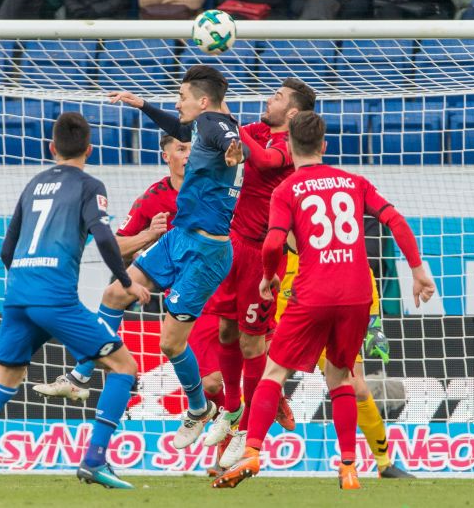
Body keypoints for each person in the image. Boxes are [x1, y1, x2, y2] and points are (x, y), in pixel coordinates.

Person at [213, 111, 435, 489]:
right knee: (344, 378)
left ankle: (252, 450)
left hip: (312, 291)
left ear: (290, 147)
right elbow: (395, 220)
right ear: (325, 146)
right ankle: (349, 465)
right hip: (357, 293)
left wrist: (267, 277)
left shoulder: (286, 190)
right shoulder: (354, 182)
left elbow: (271, 242)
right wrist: (417, 270)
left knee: (274, 372)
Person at [0, 112, 151, 490]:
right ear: (89, 148)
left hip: (18, 295)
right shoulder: (89, 185)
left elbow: (7, 247)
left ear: (52, 147)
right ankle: (95, 459)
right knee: (123, 366)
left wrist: (24, 280)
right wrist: (124, 281)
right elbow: (102, 236)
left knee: (5, 379)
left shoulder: (33, 184)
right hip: (54, 298)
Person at [101, 65, 244, 450]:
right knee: (116, 293)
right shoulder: (201, 126)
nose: (177, 103)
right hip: (180, 237)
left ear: (202, 101)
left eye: (181, 97)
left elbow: (229, 138)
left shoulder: (215, 123)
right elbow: (184, 129)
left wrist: (235, 152)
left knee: (170, 344)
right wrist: (142, 103)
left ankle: (199, 409)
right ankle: (83, 374)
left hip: (205, 252)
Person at [202, 78, 316, 459]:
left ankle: (247, 428)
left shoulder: (287, 146)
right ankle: (232, 409)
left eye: (278, 97)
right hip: (232, 244)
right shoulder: (257, 130)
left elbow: (264, 161)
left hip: (263, 253)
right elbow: (230, 139)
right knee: (224, 328)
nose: (270, 100)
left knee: (253, 342)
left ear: (294, 113)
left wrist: (232, 128)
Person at [32, 134, 191, 402]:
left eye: (193, 149)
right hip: (175, 280)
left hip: (213, 280)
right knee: (114, 295)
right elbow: (116, 246)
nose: (189, 155)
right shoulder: (153, 198)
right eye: (181, 149)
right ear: (166, 157)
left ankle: (205, 409)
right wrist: (148, 235)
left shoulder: (214, 189)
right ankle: (80, 375)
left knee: (209, 375)